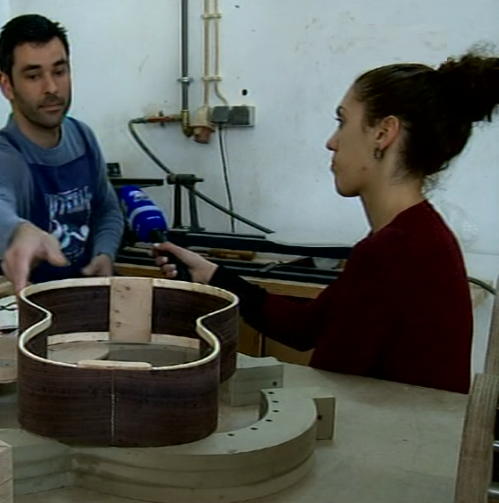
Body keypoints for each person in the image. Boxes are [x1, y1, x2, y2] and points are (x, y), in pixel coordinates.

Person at [154, 51, 499, 394]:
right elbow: (305, 327)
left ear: (384, 133)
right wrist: (212, 276)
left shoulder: (395, 250)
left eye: (342, 121)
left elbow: (330, 389)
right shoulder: (416, 233)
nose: (331, 142)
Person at [0, 14, 124, 292]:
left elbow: (106, 208)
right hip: (15, 318)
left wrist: (103, 254)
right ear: (7, 85)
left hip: (79, 306)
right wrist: (18, 232)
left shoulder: (82, 137)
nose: (51, 88)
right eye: (33, 76)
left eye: (59, 71)